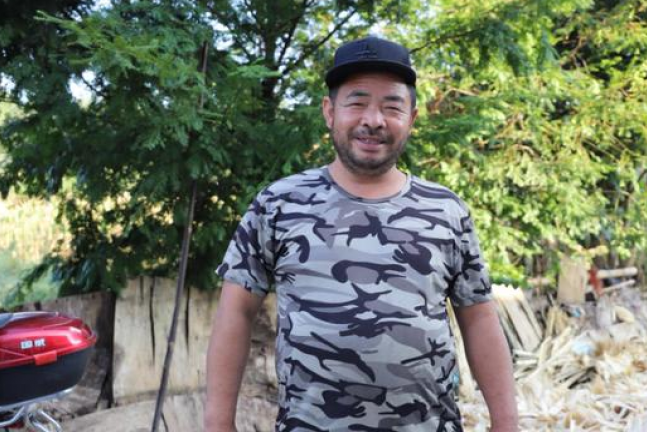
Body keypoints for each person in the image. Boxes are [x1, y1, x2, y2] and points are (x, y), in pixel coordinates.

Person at [205, 36, 518, 432]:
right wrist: (217, 424)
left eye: (391, 106)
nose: (374, 120)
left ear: (412, 118)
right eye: (357, 103)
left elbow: (479, 318)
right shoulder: (279, 203)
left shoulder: (446, 210)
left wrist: (507, 424)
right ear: (329, 111)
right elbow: (235, 311)